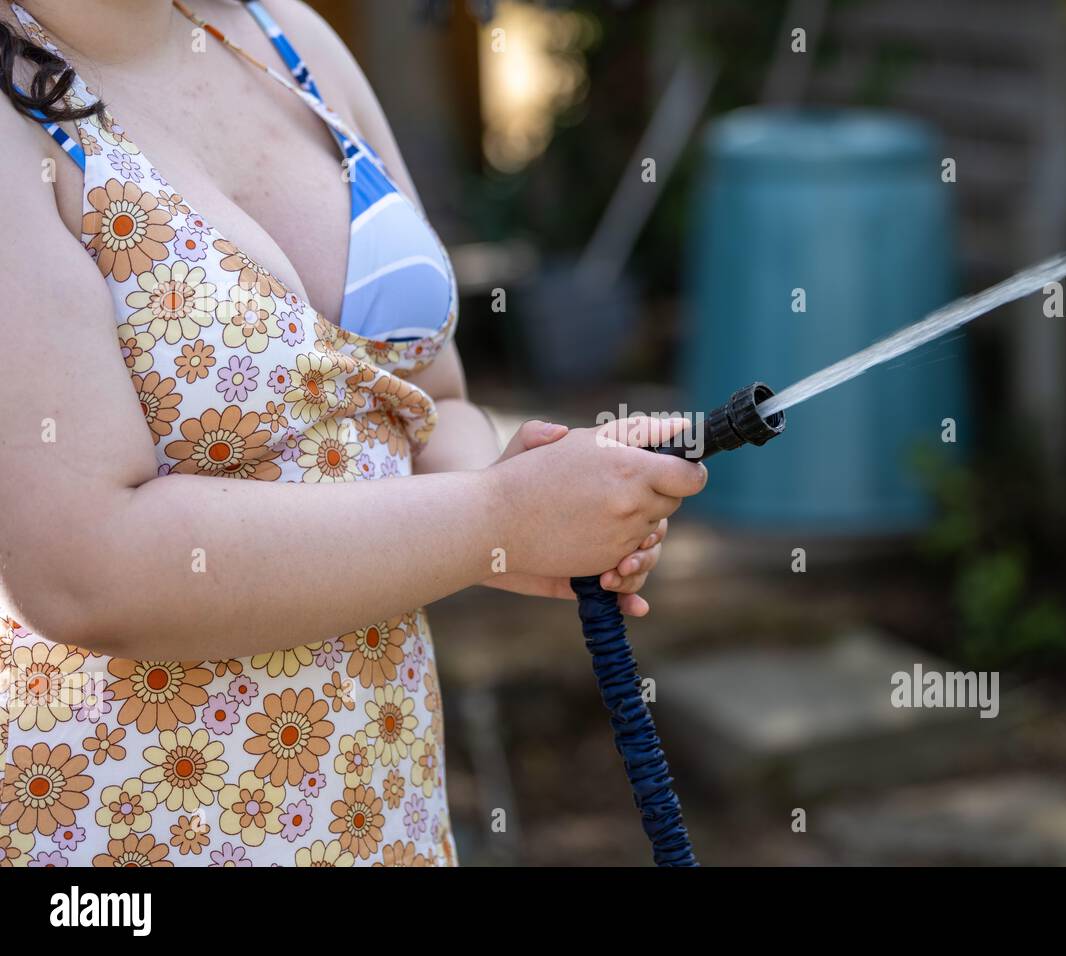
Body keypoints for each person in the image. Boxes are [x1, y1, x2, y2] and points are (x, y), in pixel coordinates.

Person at [0, 0, 706, 867]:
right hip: (134, 819)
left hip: (378, 800)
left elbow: (428, 397)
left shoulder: (285, 36)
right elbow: (87, 571)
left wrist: (535, 514)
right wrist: (491, 520)